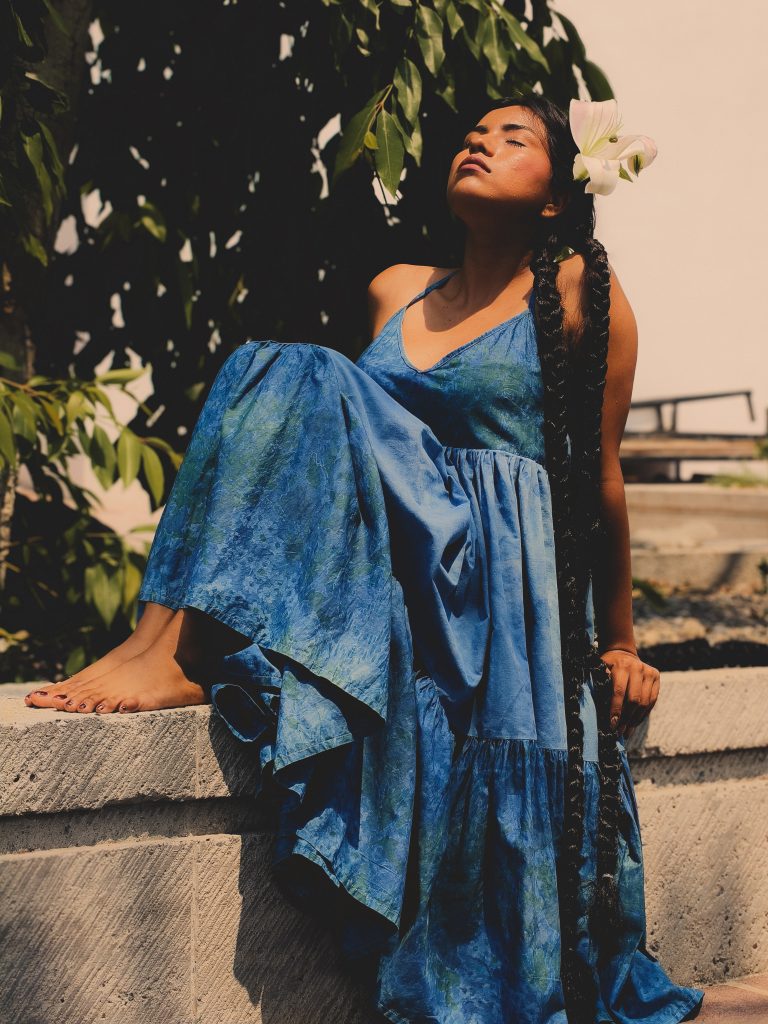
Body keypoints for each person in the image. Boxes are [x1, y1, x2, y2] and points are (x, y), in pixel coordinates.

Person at [24, 95, 704, 1024]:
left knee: (301, 368)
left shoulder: (587, 289)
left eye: (513, 139)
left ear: (557, 197)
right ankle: (165, 644)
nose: (479, 143)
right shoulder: (396, 289)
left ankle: (183, 647)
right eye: (473, 134)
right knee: (275, 368)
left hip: (492, 579)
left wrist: (620, 640)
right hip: (401, 557)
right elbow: (334, 446)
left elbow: (601, 473)